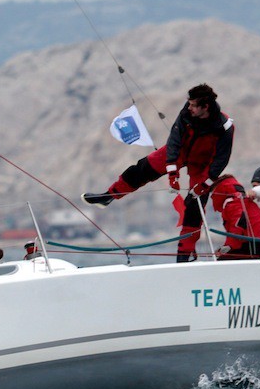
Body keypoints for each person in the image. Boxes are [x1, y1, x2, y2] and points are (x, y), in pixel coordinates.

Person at [82, 83, 235, 261]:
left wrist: (205, 184)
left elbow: (221, 160)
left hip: (204, 162)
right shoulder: (187, 112)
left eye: (193, 105)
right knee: (142, 168)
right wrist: (172, 173)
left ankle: (184, 256)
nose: (189, 107)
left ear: (205, 107)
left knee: (194, 207)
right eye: (189, 103)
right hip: (181, 150)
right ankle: (109, 195)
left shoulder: (225, 127)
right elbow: (174, 141)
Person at [200, 177, 260, 260]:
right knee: (224, 259)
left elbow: (238, 224)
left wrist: (229, 246)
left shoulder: (234, 203)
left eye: (213, 192)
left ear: (221, 190)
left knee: (222, 262)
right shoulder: (240, 200)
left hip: (254, 245)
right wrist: (227, 246)